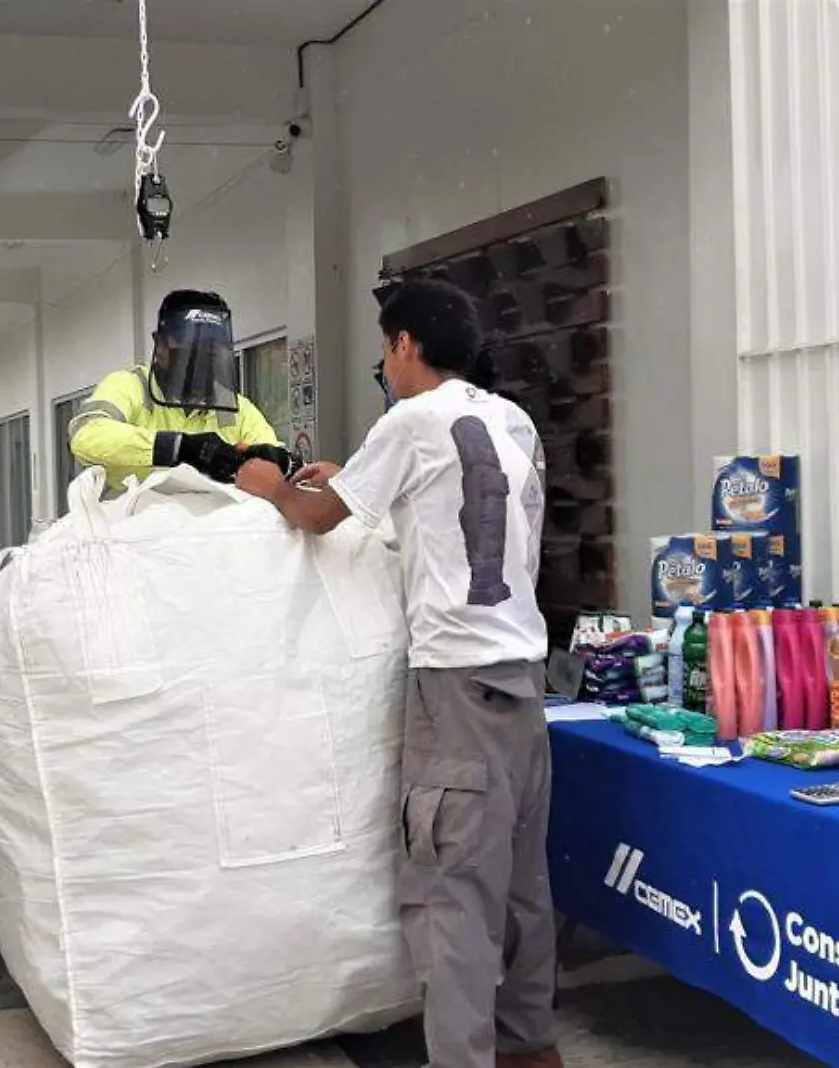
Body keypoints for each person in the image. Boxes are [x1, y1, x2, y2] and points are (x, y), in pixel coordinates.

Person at [235, 279, 558, 1068]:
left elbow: (315, 520)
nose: (387, 362)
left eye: (386, 348)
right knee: (521, 888)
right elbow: (460, 503)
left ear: (405, 345)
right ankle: (530, 1049)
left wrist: (270, 485)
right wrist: (362, 474)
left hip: (456, 690)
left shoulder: (410, 421)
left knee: (451, 900)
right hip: (524, 680)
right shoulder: (509, 419)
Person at [68, 290, 295, 489]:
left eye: (211, 353)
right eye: (190, 354)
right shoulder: (130, 387)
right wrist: (179, 447)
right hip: (127, 528)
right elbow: (85, 434)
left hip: (207, 534)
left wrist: (273, 459)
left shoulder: (234, 408)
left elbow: (273, 465)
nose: (199, 365)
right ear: (159, 345)